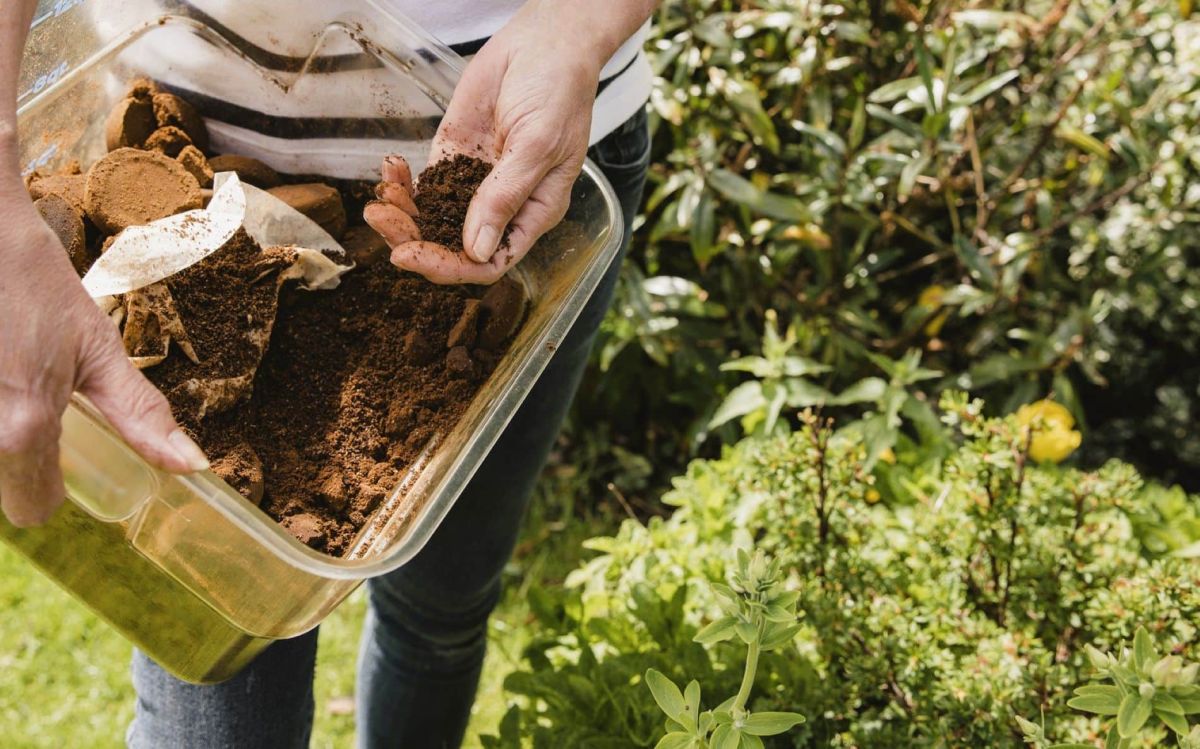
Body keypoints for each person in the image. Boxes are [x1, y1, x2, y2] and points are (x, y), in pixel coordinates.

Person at [0, 0, 655, 746]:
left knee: (439, 609)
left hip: (526, 164)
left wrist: (577, 25)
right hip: (188, 160)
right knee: (217, 702)